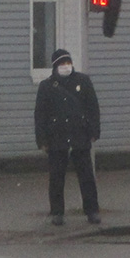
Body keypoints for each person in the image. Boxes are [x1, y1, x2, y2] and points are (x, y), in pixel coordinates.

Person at [34, 49, 101, 226]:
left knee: (86, 176)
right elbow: (40, 115)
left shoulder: (83, 81)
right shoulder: (47, 86)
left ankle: (92, 211)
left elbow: (93, 108)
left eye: (68, 63)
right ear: (55, 66)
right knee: (56, 178)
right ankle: (57, 212)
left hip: (80, 136)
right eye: (62, 64)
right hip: (56, 138)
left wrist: (94, 132)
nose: (66, 66)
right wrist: (42, 140)